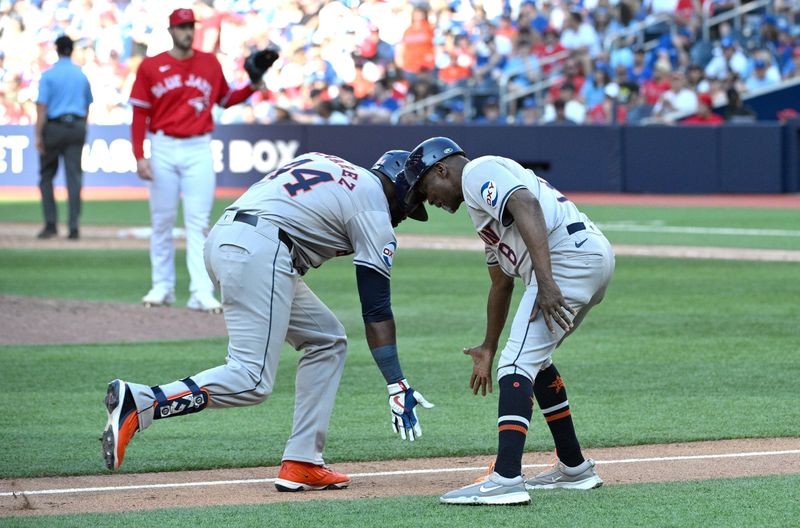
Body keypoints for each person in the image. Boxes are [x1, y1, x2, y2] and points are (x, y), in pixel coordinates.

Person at [101, 150, 434, 491]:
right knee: (251, 378)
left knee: (328, 339)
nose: (405, 216)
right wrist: (397, 382)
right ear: (399, 186)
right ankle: (142, 402)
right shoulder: (373, 208)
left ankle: (303, 460)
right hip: (263, 250)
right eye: (409, 207)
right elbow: (376, 309)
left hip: (227, 238)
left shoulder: (330, 162)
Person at [402, 138, 614, 505]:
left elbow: (526, 203)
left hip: (566, 262)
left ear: (441, 170)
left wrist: (546, 281)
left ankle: (506, 478)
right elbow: (500, 282)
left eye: (425, 189)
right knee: (535, 361)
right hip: (585, 258)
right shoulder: (479, 208)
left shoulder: (477, 172)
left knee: (515, 367)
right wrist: (488, 345)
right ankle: (574, 467)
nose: (429, 201)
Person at [129, 8, 263, 312]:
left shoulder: (209, 62)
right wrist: (140, 155)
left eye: (190, 26)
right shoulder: (152, 65)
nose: (187, 31)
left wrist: (252, 86)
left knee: (199, 223)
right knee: (161, 221)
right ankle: (161, 287)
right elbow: (139, 113)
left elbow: (225, 99)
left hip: (199, 146)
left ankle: (201, 291)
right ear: (171, 30)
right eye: (182, 27)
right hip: (162, 145)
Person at [34, 35, 93, 240]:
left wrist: (38, 135)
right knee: (74, 178)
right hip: (76, 125)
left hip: (54, 127)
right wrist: (82, 127)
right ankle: (73, 226)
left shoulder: (49, 76)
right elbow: (87, 106)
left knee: (47, 176)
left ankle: (51, 225)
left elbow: (42, 107)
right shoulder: (81, 75)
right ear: (72, 50)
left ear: (57, 49)